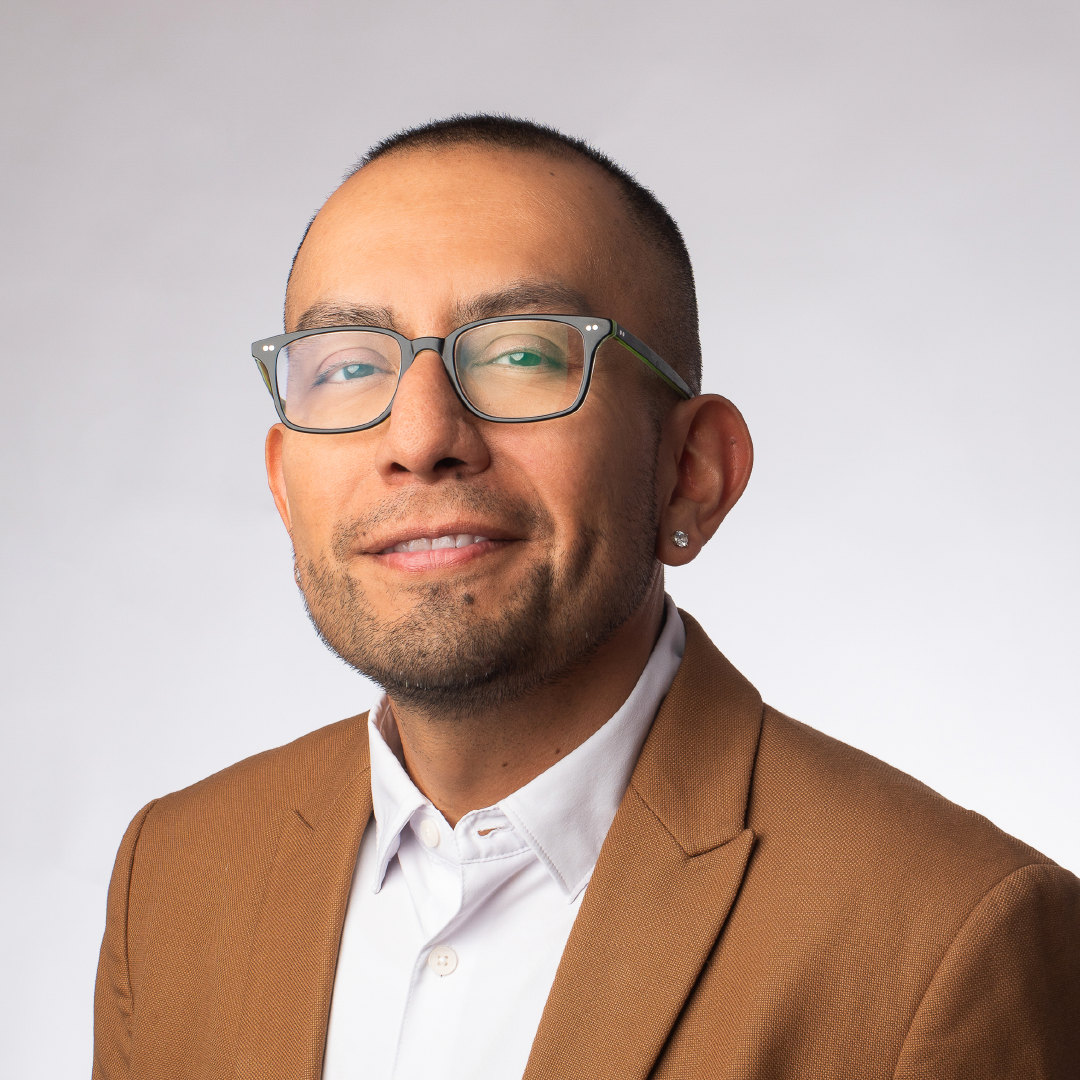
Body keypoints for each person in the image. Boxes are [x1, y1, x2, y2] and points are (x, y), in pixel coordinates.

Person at [93, 115, 1079, 1080]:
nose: (420, 438)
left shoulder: (953, 937)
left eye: (521, 354)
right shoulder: (173, 875)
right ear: (284, 488)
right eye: (350, 366)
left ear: (692, 472)